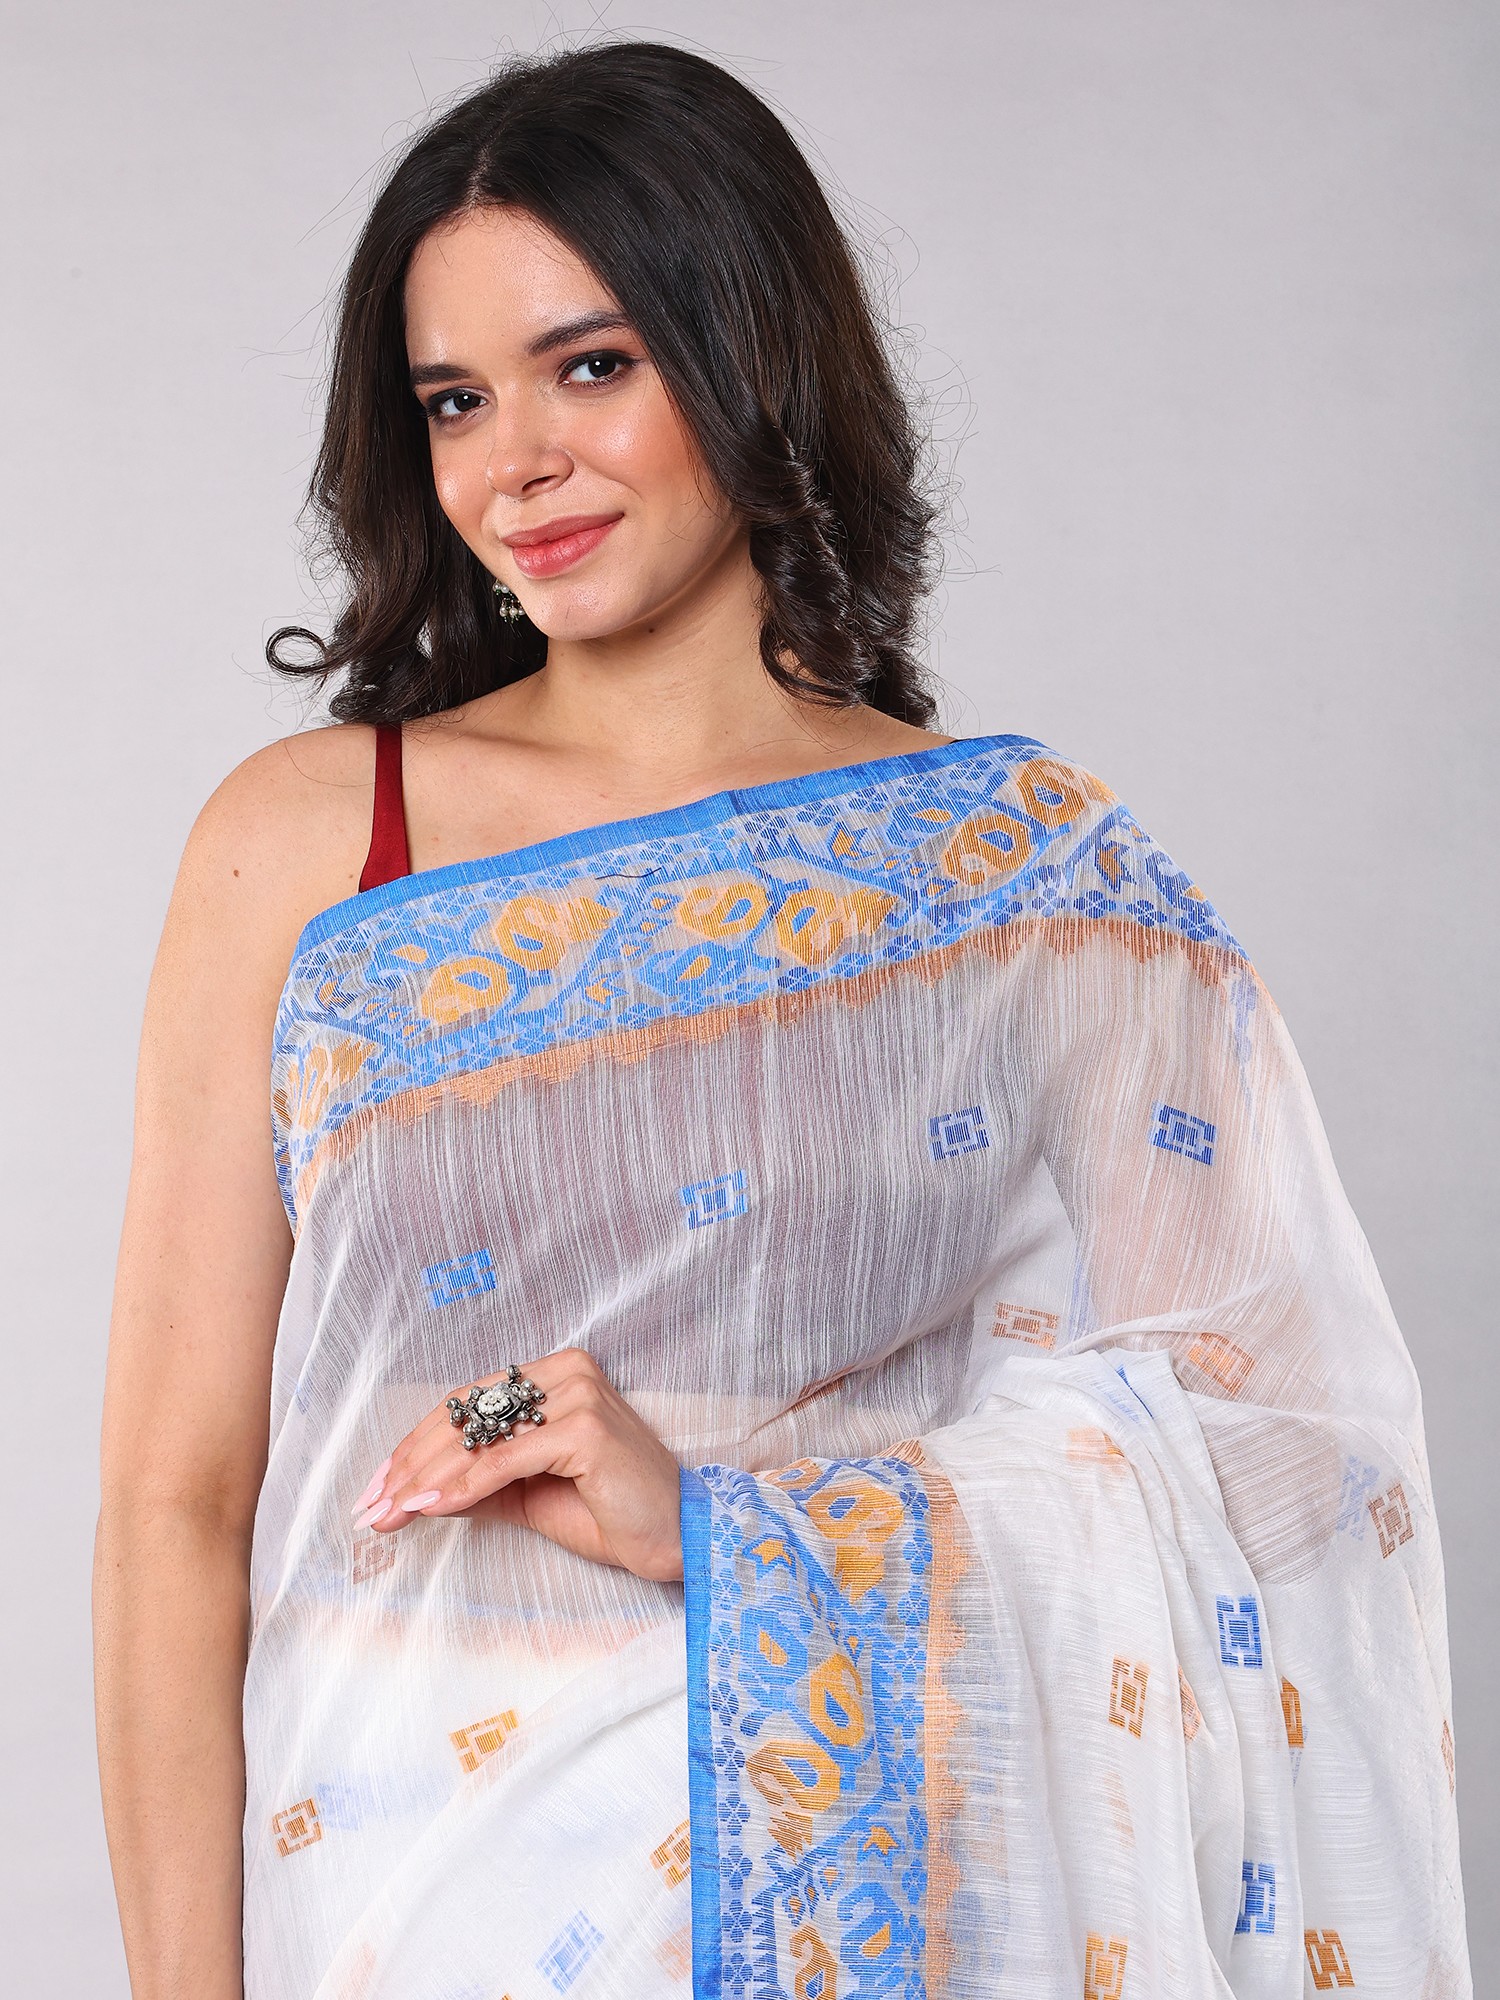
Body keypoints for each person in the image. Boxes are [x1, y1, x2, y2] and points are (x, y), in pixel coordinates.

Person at [92, 39, 1471, 2000]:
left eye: (591, 366)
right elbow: (174, 1504)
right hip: (411, 1898)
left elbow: (1279, 1457)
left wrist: (740, 1533)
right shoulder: (314, 843)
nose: (513, 463)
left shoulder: (1011, 871)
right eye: (454, 400)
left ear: (751, 353)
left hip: (890, 1904)